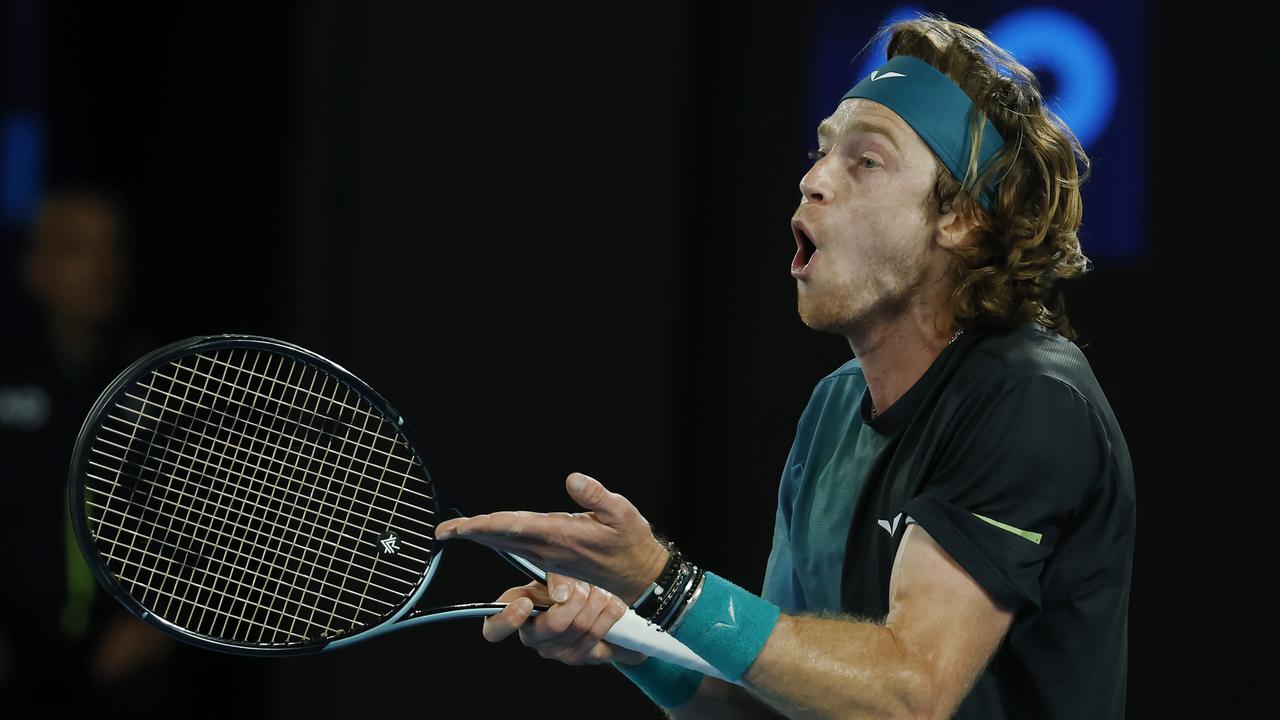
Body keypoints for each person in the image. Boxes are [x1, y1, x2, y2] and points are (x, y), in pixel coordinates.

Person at [434, 14, 1134, 719]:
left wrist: (663, 580)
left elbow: (909, 694)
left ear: (958, 219)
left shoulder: (1032, 399)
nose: (814, 179)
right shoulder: (834, 410)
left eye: (866, 161)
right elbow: (772, 706)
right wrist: (635, 634)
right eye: (821, 150)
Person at [0, 188, 174, 718]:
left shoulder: (162, 379)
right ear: (35, 267)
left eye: (113, 249)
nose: (102, 267)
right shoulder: (9, 375)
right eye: (78, 248)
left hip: (122, 664)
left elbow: (197, 516)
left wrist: (155, 617)